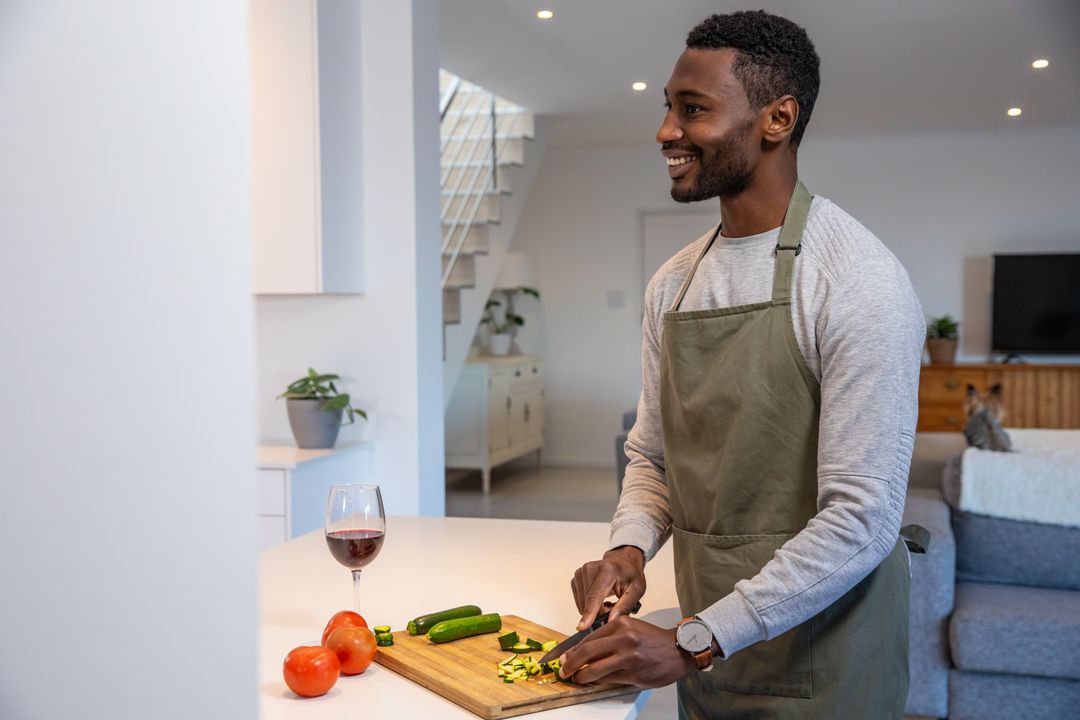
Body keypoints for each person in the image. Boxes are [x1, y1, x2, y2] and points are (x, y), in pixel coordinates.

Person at [559, 10, 925, 719]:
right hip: (713, 660)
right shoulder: (674, 283)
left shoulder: (858, 281)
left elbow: (862, 520)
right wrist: (629, 551)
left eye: (692, 110)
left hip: (827, 664)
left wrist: (692, 640)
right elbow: (654, 457)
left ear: (777, 119)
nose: (666, 131)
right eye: (668, 107)